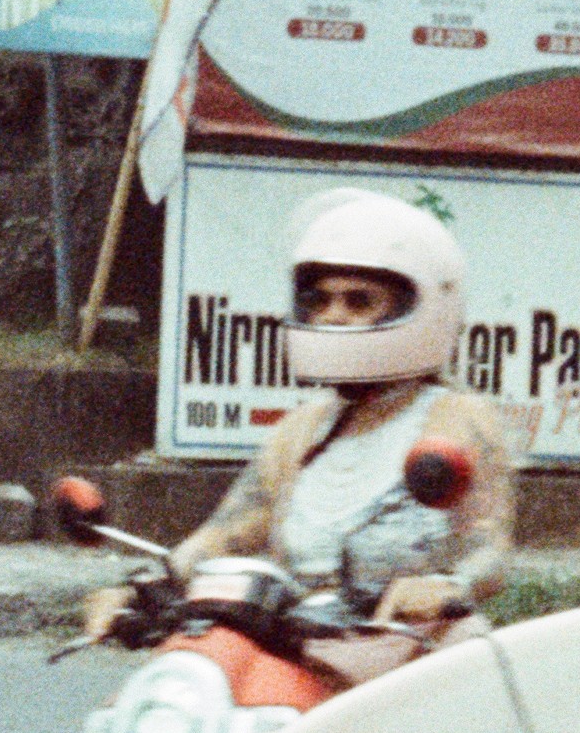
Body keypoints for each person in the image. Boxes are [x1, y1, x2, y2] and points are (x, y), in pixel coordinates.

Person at [172, 189, 516, 660]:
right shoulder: (301, 430)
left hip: (415, 645)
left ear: (417, 309)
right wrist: (150, 584)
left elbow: (490, 545)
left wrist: (449, 586)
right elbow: (224, 534)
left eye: (359, 301)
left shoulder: (458, 419)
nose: (333, 315)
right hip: (296, 641)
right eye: (321, 300)